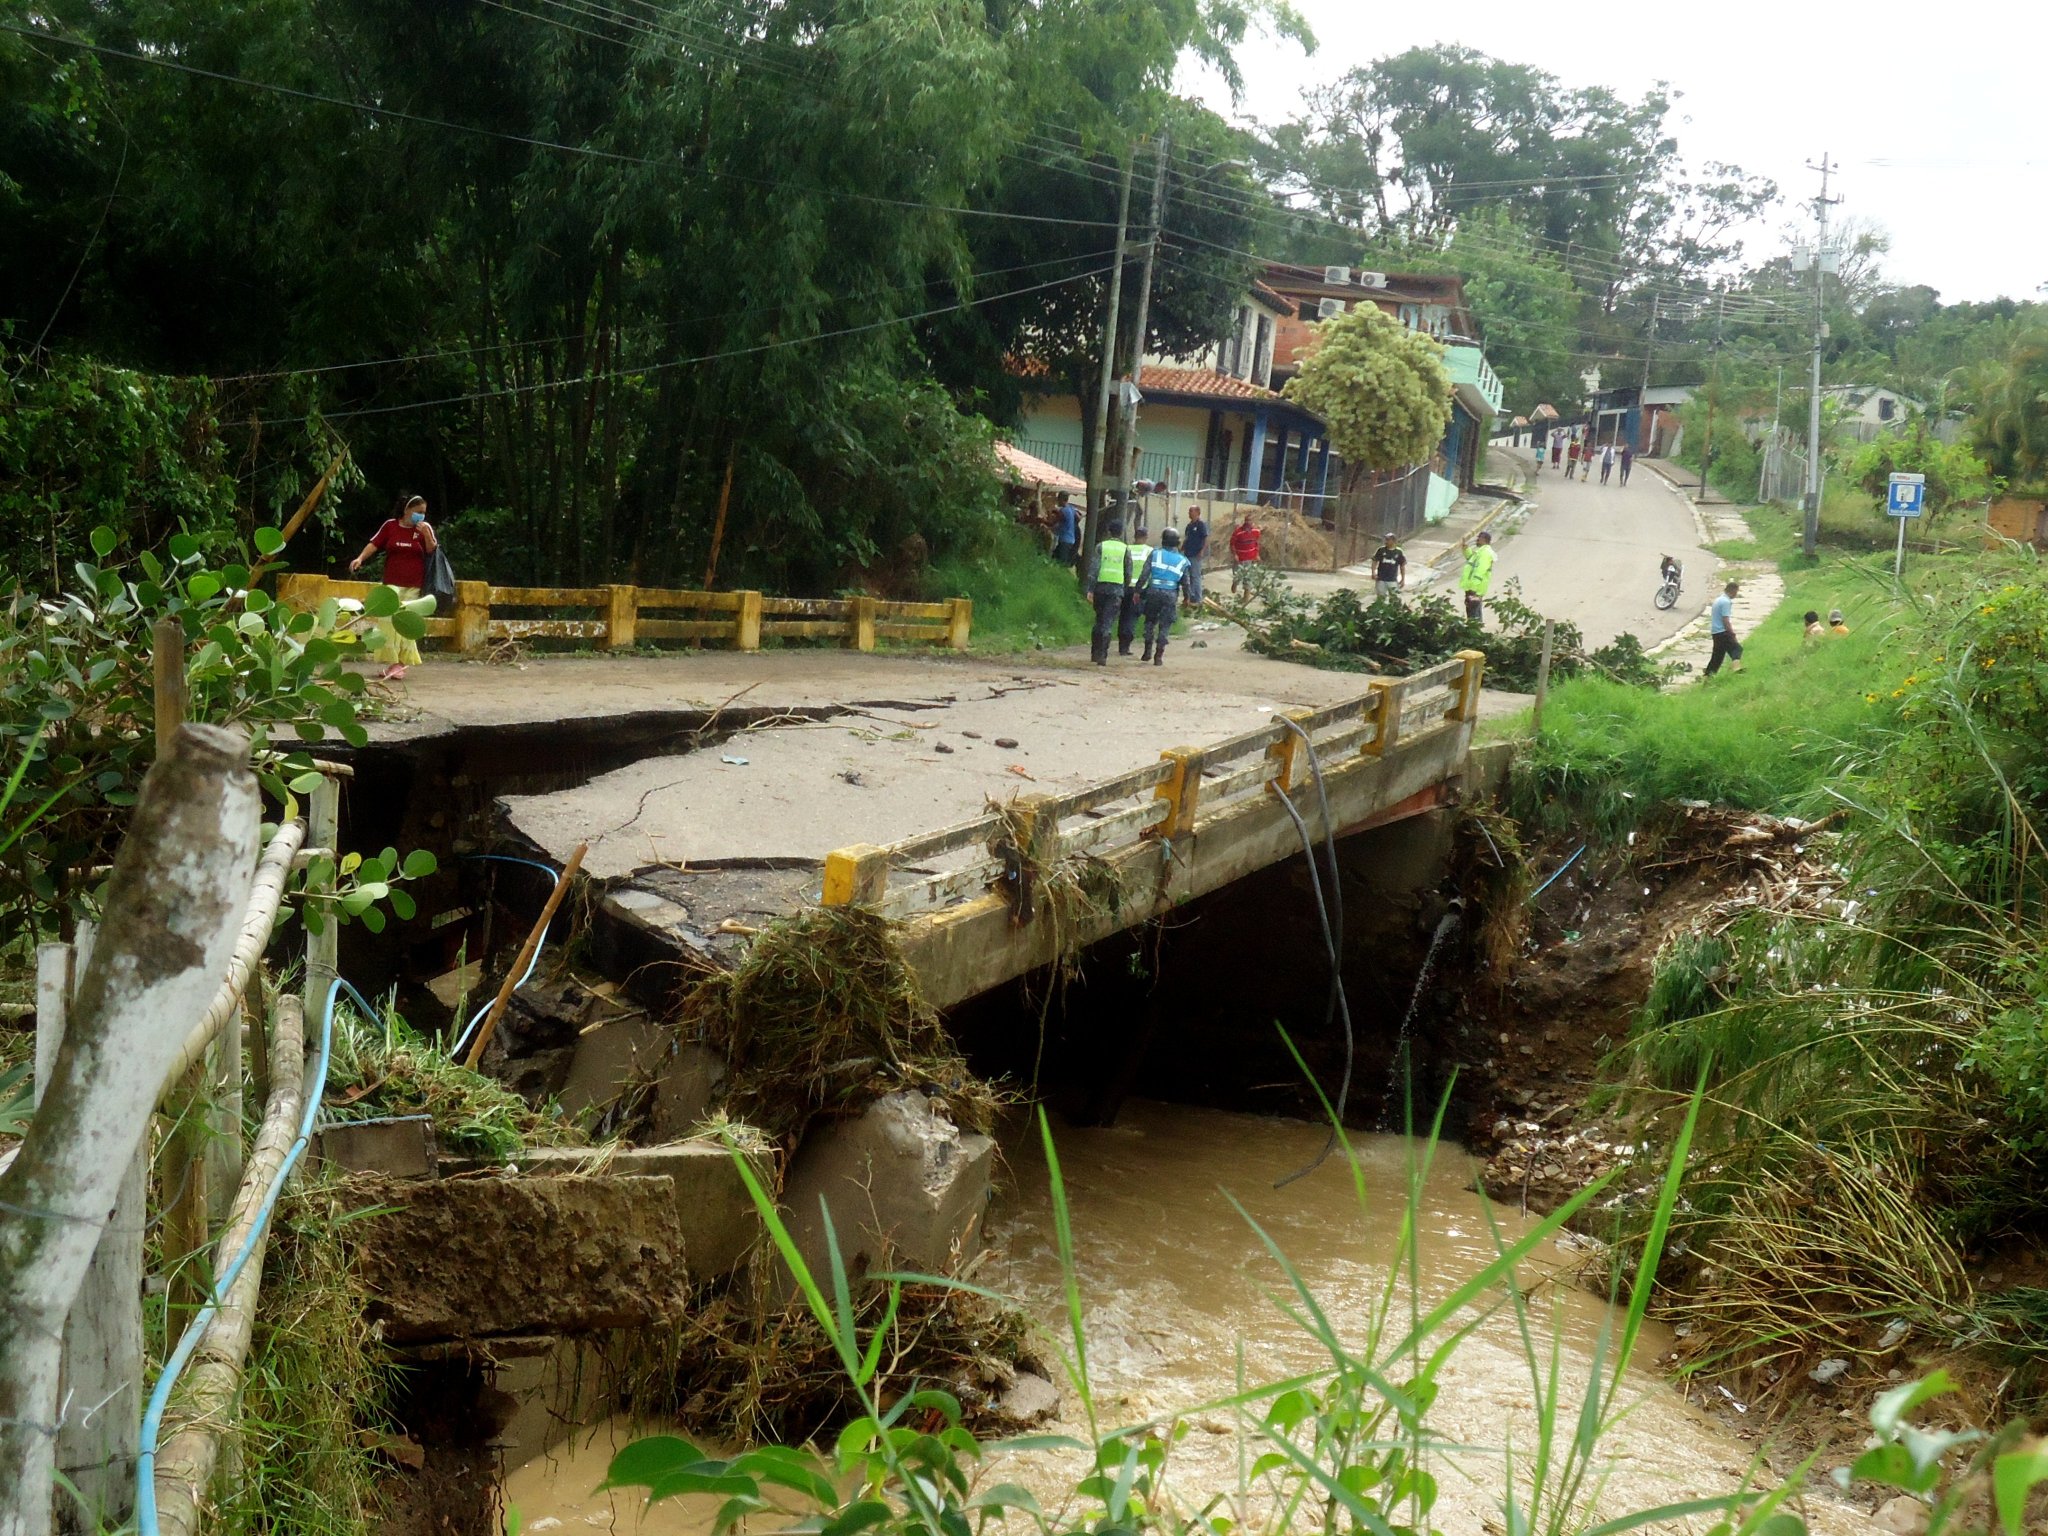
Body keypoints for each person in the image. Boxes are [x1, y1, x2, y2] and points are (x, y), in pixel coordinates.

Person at [349, 493, 437, 680]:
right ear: (407, 510)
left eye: (423, 513)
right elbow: (375, 543)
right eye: (418, 512)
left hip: (414, 585)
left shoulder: (424, 528)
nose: (421, 516)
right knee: (388, 623)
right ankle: (393, 663)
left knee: (406, 623)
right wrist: (360, 558)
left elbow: (431, 550)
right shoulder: (390, 526)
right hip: (391, 584)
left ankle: (400, 664)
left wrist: (426, 534)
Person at [1135, 526, 1192, 665]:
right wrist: (1187, 598)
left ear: (1163, 541)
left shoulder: (1155, 554)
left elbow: (1144, 574)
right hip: (1170, 594)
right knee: (1165, 624)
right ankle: (1159, 656)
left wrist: (1137, 591)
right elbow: (1186, 582)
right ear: (1177, 543)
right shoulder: (1183, 561)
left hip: (1153, 591)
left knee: (1149, 621)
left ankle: (1147, 651)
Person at [1088, 518, 1135, 666]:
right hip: (1116, 590)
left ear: (1109, 531)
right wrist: (1125, 587)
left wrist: (1090, 589)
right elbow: (1128, 571)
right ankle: (1103, 654)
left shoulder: (1101, 546)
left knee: (1099, 619)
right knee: (1108, 622)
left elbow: (1094, 568)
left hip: (1100, 588)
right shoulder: (1125, 549)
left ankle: (1095, 653)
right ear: (1121, 533)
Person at [1117, 527, 1148, 656]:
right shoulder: (1149, 551)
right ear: (1146, 537)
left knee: (1123, 615)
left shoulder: (1126, 548)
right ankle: (1126, 645)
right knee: (1132, 616)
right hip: (1139, 589)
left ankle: (1121, 645)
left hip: (1124, 586)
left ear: (1135, 536)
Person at [1705, 580, 1744, 675]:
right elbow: (1725, 619)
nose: (1736, 594)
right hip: (1722, 631)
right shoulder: (1726, 602)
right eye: (1736, 592)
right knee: (1737, 648)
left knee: (1717, 658)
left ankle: (1707, 678)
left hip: (1715, 632)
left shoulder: (1718, 600)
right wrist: (1731, 632)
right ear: (1733, 590)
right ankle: (1736, 668)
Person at [1459, 530, 1495, 624]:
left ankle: (1475, 633)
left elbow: (1480, 571)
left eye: (1479, 538)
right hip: (1472, 587)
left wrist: (1473, 589)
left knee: (1473, 613)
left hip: (1475, 588)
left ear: (1484, 540)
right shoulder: (1480, 552)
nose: (1477, 540)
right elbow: (1471, 559)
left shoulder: (1485, 553)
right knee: (1473, 611)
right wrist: (1466, 549)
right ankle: (1476, 631)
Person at [1229, 512, 1262, 596]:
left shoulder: (1256, 531)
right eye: (1246, 520)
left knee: (1248, 579)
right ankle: (1235, 584)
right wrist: (1235, 555)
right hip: (1239, 559)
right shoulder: (1238, 532)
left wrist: (1257, 554)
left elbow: (1257, 543)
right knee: (1237, 576)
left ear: (1253, 522)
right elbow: (1232, 544)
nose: (1248, 522)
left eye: (1250, 520)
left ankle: (1245, 597)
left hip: (1250, 558)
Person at [1181, 507, 1209, 605]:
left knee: (1195, 576)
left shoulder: (1201, 525)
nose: (1189, 513)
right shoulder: (1189, 526)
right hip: (1187, 554)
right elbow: (1187, 538)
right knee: (1188, 576)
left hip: (1196, 554)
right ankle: (1191, 596)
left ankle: (1198, 598)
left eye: (1191, 511)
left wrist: (1202, 550)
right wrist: (1182, 548)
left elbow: (1205, 538)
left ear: (1197, 512)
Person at [1370, 532, 1406, 601]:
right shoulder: (1381, 550)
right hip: (1381, 579)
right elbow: (1375, 561)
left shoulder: (1398, 552)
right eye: (1386, 539)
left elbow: (1402, 566)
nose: (1386, 541)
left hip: (1392, 579)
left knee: (1394, 599)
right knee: (1380, 599)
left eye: (1388, 540)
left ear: (1393, 541)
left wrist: (1403, 579)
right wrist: (1373, 572)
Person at [1051, 497, 1080, 566]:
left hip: (1065, 539)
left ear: (1061, 499)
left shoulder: (1063, 511)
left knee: (1061, 561)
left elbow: (1054, 523)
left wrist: (1043, 521)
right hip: (1071, 539)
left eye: (1058, 499)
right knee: (1054, 558)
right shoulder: (1071, 508)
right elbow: (1079, 518)